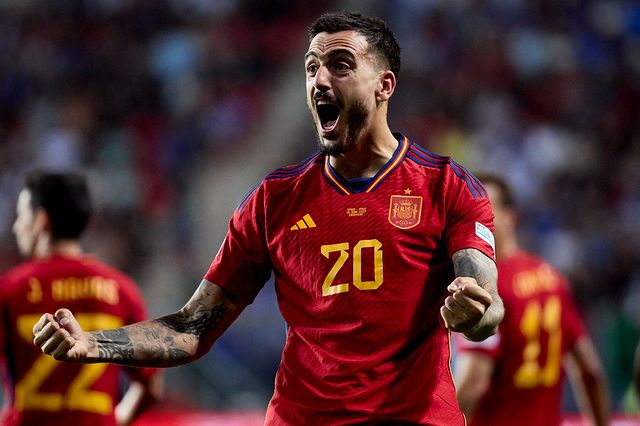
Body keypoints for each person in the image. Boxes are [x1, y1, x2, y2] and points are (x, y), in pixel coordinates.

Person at [32, 11, 504, 425]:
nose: (320, 80)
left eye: (340, 66)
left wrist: (476, 311)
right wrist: (95, 344)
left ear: (385, 85)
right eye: (312, 68)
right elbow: (193, 329)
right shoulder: (273, 201)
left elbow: (489, 309)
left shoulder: (446, 186)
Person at [0, 170, 161, 426]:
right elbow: (151, 387)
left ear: (41, 220)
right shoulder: (122, 290)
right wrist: (112, 421)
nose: (16, 226)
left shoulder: (10, 289)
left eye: (21, 216)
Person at [454, 173, 609, 426]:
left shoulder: (487, 288)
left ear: (509, 218)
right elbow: (589, 369)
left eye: (485, 210)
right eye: (469, 211)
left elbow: (474, 382)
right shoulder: (551, 278)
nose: (476, 220)